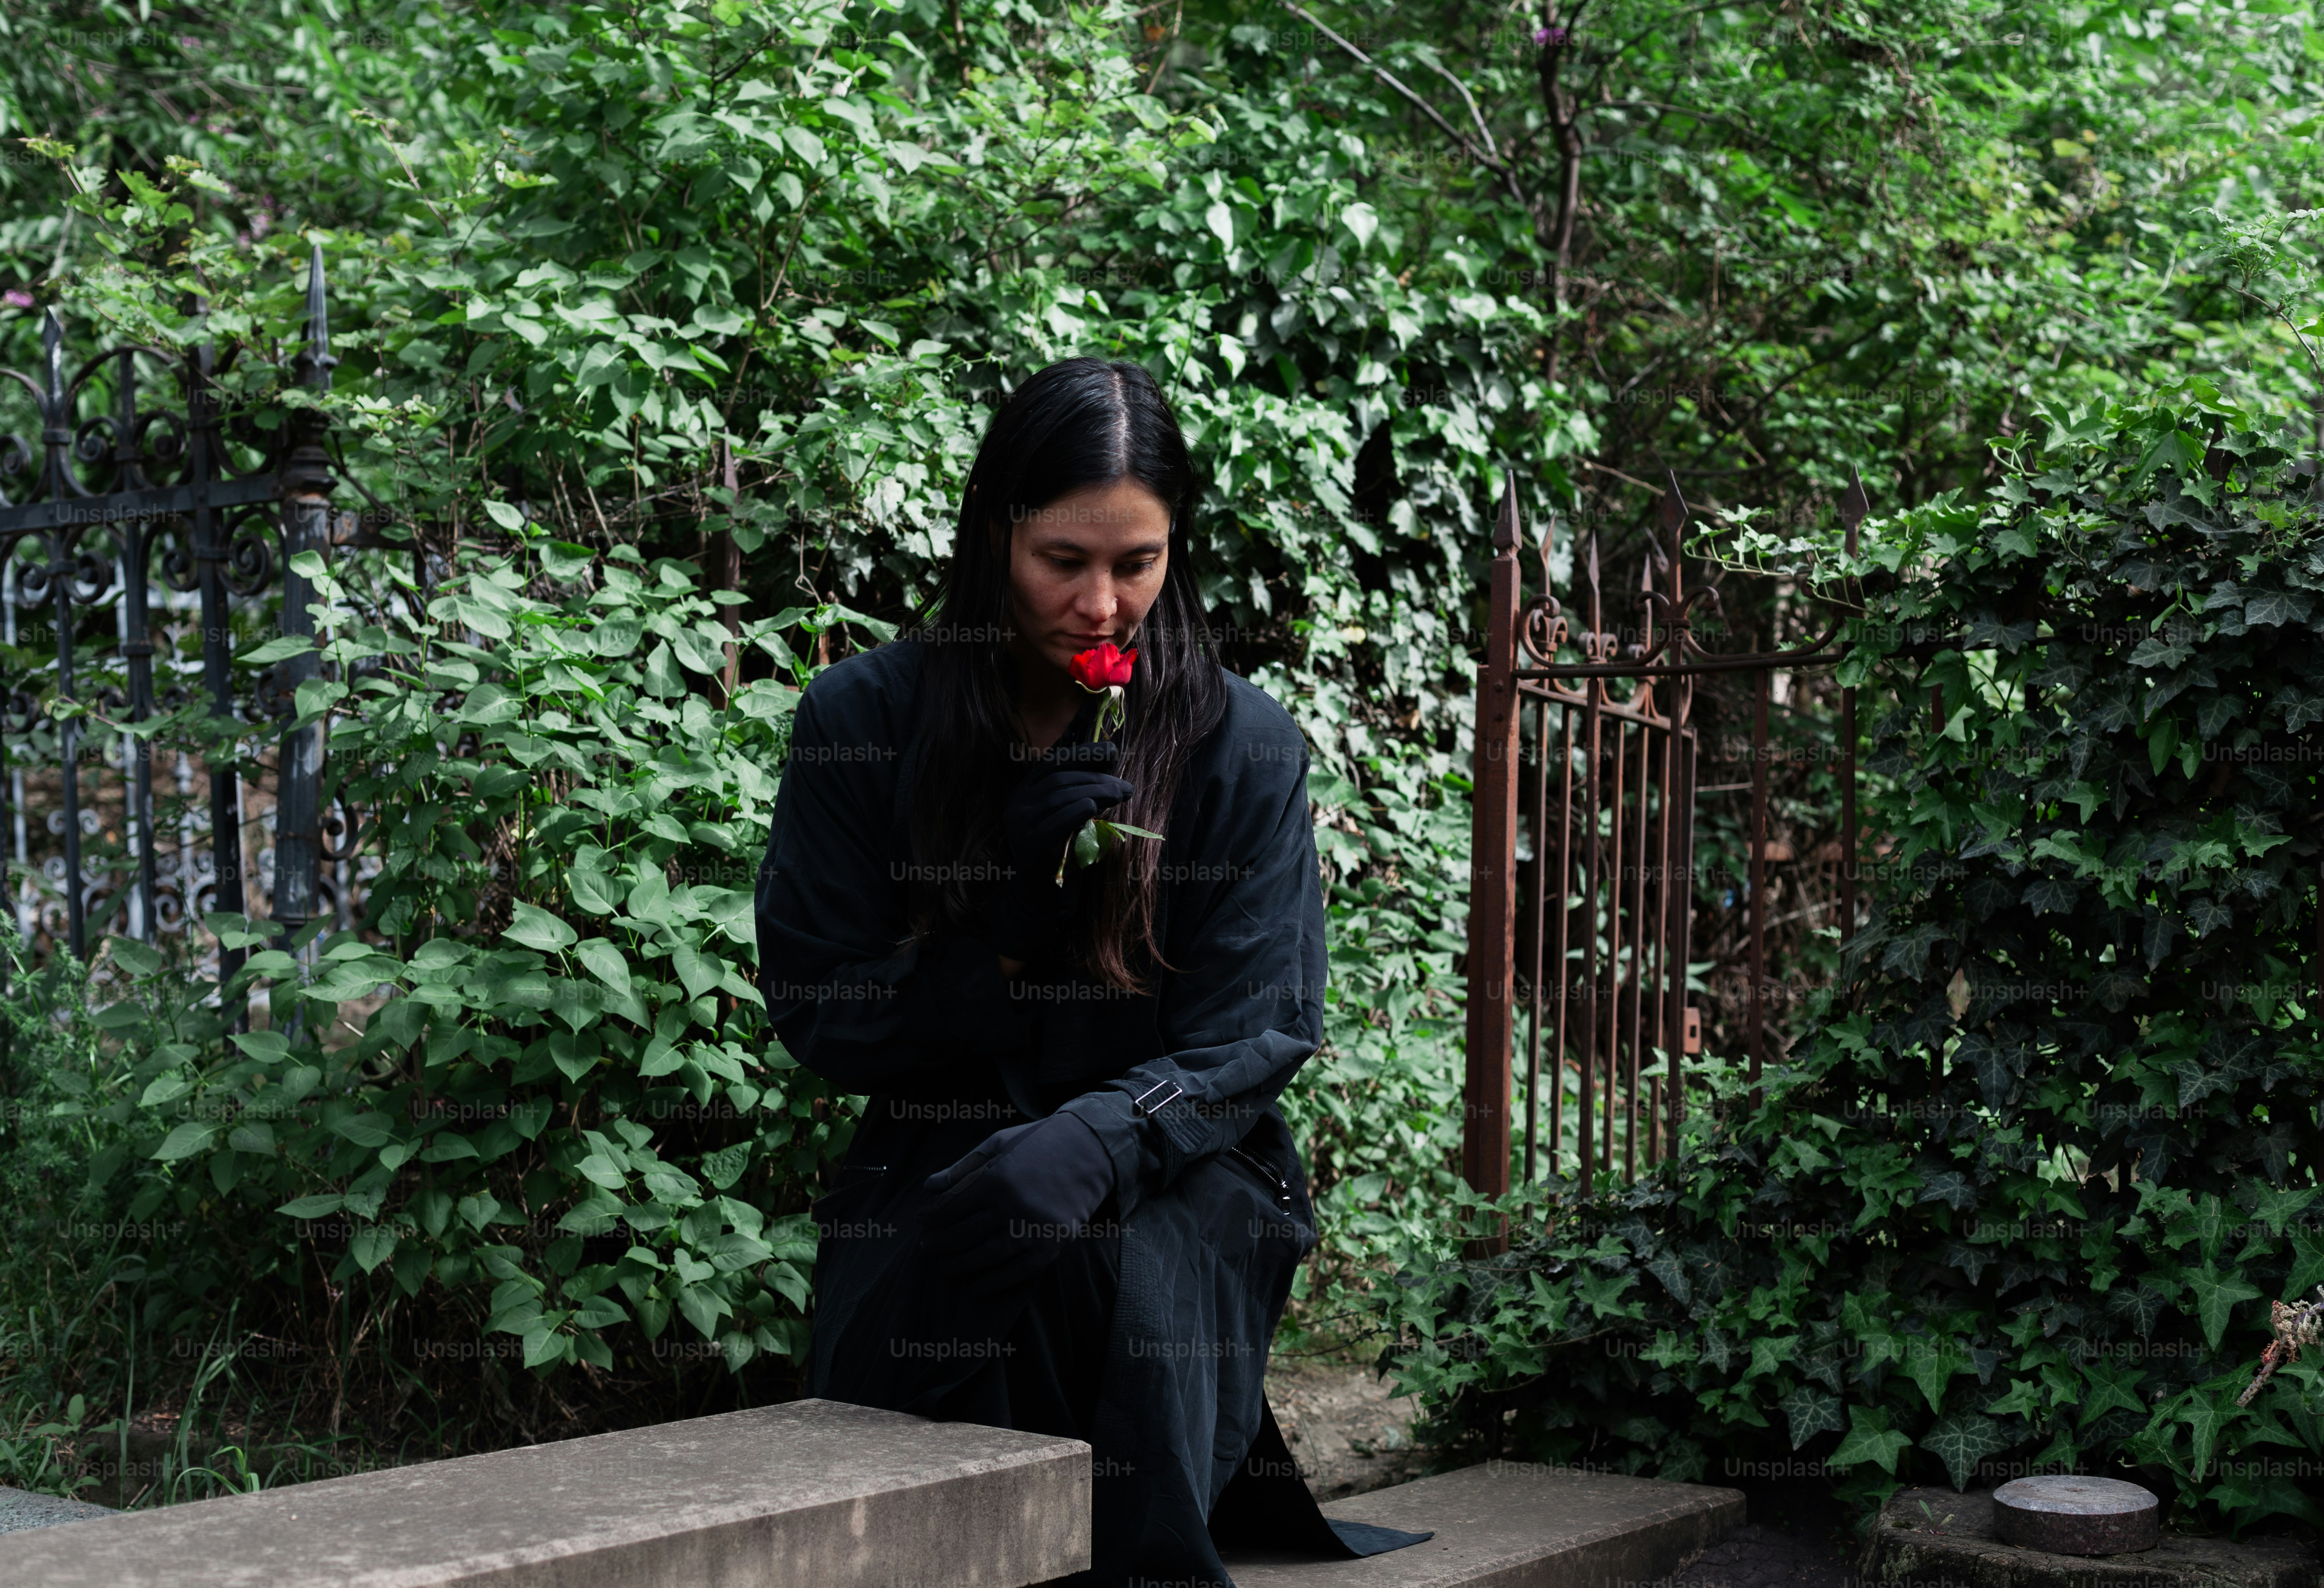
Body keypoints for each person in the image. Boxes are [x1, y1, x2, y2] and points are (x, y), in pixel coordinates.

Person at [753, 358, 1430, 1585]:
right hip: (942, 1143)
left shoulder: (1243, 747)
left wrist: (1108, 1135)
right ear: (994, 532)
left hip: (1191, 1168)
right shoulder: (864, 720)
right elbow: (819, 1006)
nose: (1103, 605)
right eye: (1063, 562)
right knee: (973, 1251)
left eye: (1139, 563)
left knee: (1100, 1273)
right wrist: (997, 940)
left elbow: (1263, 1027)